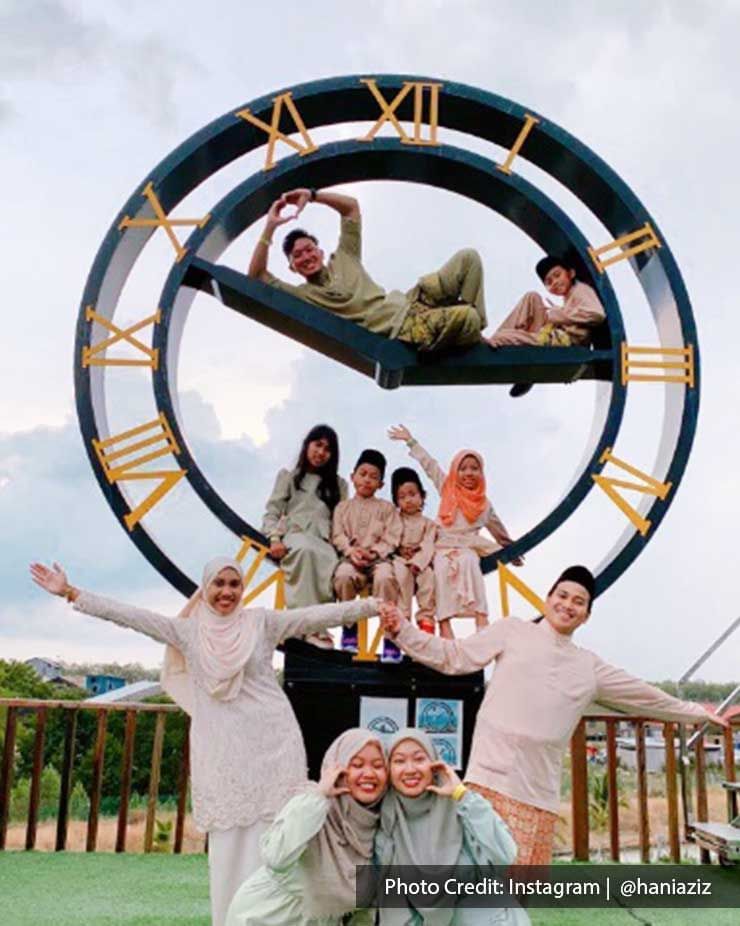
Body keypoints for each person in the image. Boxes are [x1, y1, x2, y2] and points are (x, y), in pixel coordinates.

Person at [29, 558, 383, 926]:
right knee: (229, 845)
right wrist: (71, 592)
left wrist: (372, 606)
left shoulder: (261, 622)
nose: (227, 592)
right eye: (219, 584)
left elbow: (315, 617)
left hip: (274, 742)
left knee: (282, 839)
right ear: (205, 587)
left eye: (235, 584)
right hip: (221, 749)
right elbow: (132, 616)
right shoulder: (188, 631)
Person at [379, 566, 730, 864]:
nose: (567, 605)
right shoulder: (512, 631)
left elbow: (644, 696)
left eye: (579, 601)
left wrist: (696, 713)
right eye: (561, 595)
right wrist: (402, 632)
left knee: (516, 897)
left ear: (587, 614)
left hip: (536, 794)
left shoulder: (588, 666)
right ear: (547, 600)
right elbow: (453, 656)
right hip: (487, 781)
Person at [247, 188, 487, 352]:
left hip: (411, 300)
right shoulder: (303, 296)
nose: (306, 256)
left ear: (319, 252)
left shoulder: (345, 255)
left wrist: (311, 195)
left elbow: (351, 207)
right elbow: (256, 276)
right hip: (404, 329)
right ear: (292, 267)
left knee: (468, 258)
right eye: (297, 256)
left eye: (309, 249)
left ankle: (478, 338)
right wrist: (269, 227)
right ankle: (472, 332)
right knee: (467, 317)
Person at [226, 728, 388, 926]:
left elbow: (365, 905)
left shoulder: (378, 823)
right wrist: (320, 795)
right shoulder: (310, 803)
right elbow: (276, 858)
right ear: (337, 769)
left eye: (378, 766)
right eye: (357, 765)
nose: (369, 773)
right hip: (265, 918)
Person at [376, 729, 529, 926]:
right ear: (389, 770)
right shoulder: (388, 822)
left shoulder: (462, 807)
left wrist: (461, 795)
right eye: (399, 761)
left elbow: (504, 854)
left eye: (419, 759)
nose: (410, 769)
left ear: (434, 764)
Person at [388, 426, 521, 639]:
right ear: (455, 471)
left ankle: (480, 619)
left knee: (470, 563)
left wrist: (511, 550)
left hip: (468, 546)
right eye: (463, 468)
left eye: (474, 468)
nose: (468, 473)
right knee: (440, 570)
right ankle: (445, 626)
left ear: (481, 472)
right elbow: (430, 466)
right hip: (442, 545)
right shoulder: (448, 488)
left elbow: (499, 531)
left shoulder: (485, 505)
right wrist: (411, 441)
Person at [262, 424, 347, 649]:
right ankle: (306, 627)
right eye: (317, 445)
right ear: (307, 445)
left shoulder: (339, 485)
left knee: (327, 562)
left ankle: (314, 626)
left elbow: (342, 520)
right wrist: (274, 538)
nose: (321, 452)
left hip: (325, 541)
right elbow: (272, 512)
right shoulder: (289, 477)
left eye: (327, 449)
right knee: (305, 552)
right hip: (296, 535)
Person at [333, 449, 403, 661]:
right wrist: (350, 551)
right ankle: (349, 628)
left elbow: (393, 536)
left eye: (374, 477)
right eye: (363, 474)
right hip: (351, 560)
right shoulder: (342, 508)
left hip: (378, 561)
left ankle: (390, 636)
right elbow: (337, 534)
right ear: (353, 476)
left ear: (380, 485)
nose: (367, 480)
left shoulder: (387, 509)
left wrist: (374, 552)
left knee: (386, 578)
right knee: (343, 575)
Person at [485, 255, 605, 350]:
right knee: (532, 297)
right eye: (549, 282)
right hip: (551, 335)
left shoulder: (580, 289)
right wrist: (557, 314)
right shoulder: (568, 297)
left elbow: (597, 314)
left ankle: (494, 342)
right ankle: (500, 338)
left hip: (565, 343)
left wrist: (560, 315)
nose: (555, 282)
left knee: (504, 337)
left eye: (557, 275)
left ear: (571, 273)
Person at [390, 467, 437, 635]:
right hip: (400, 559)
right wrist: (400, 549)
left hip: (420, 561)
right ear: (396, 501)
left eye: (412, 494)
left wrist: (418, 561)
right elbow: (390, 538)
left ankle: (426, 620)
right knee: (402, 577)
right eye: (402, 497)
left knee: (428, 578)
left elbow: (428, 544)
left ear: (422, 496)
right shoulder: (395, 519)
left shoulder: (428, 524)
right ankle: (403, 620)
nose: (408, 500)